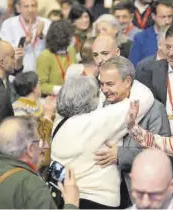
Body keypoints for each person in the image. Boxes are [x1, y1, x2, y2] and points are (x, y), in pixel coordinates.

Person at [51, 75, 154, 208]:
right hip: (97, 202)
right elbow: (144, 98)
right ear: (89, 100)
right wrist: (126, 78)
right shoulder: (93, 122)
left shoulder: (59, 121)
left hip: (67, 199)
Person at [94, 56, 171, 207]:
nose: (104, 90)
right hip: (105, 191)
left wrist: (121, 155)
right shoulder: (99, 106)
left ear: (127, 82)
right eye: (101, 84)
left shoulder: (153, 109)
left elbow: (161, 155)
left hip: (140, 193)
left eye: (110, 84)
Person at [0, 116, 79, 209]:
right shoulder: (32, 186)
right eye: (39, 142)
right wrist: (71, 204)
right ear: (31, 149)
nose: (45, 146)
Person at [0, 0, 51, 72]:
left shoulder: (46, 23)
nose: (30, 10)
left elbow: (53, 47)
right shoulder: (8, 24)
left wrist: (41, 36)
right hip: (19, 73)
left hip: (43, 71)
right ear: (18, 8)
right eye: (26, 6)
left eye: (33, 6)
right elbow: (5, 50)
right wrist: (24, 43)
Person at [36, 20, 77, 96]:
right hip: (52, 99)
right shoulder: (45, 56)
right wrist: (61, 90)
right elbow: (41, 86)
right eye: (70, 36)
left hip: (72, 96)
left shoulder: (71, 50)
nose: (72, 38)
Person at [129, 0, 173, 66]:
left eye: (169, 16)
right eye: (163, 17)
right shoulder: (140, 38)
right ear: (153, 16)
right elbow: (133, 66)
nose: (167, 21)